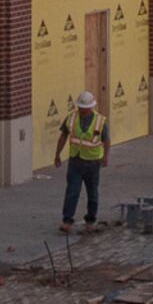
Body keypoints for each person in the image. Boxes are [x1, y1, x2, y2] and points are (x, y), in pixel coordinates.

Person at [57, 90, 109, 228]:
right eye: (81, 108)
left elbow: (106, 140)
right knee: (72, 191)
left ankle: (90, 219)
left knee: (92, 192)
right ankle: (67, 220)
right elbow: (63, 136)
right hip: (75, 160)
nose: (83, 111)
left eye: (85, 109)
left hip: (93, 162)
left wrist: (105, 157)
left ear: (91, 107)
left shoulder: (100, 121)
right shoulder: (71, 118)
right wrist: (57, 155)